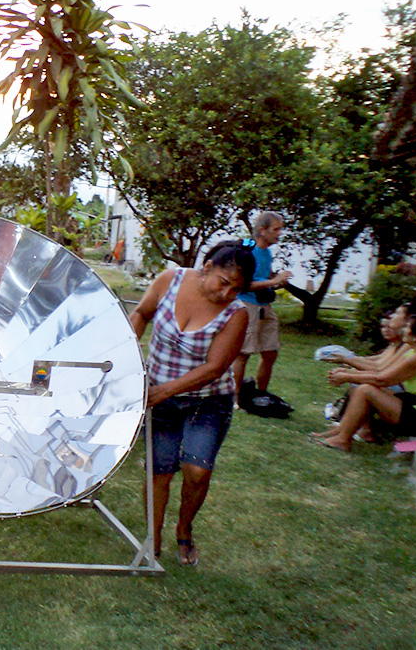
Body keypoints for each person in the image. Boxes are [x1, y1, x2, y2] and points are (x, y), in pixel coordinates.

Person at [130, 240, 255, 566]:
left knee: (197, 470)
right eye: (224, 282)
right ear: (208, 267)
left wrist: (163, 392)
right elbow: (142, 314)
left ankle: (184, 528)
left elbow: (214, 368)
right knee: (159, 471)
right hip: (160, 395)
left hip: (208, 400)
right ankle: (152, 538)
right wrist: (125, 356)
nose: (227, 293)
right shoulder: (169, 280)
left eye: (236, 289)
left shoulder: (237, 314)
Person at [314, 304, 416, 452]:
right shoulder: (414, 353)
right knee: (366, 387)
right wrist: (350, 374)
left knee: (366, 390)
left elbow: (383, 379)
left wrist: (347, 376)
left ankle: (343, 439)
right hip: (414, 406)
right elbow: (382, 374)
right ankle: (341, 432)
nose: (404, 330)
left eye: (408, 327)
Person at [233, 211, 292, 402]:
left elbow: (263, 279)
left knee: (270, 352)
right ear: (262, 230)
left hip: (265, 306)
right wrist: (273, 281)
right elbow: (245, 284)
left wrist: (275, 281)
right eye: (276, 229)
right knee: (243, 354)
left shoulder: (267, 253)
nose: (279, 234)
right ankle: (234, 399)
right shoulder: (249, 253)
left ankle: (261, 394)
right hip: (249, 306)